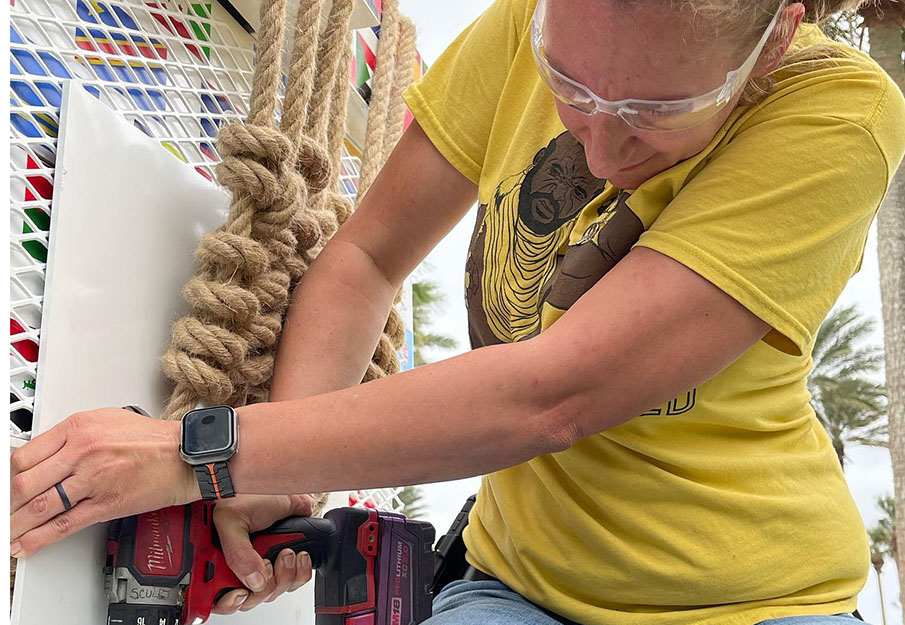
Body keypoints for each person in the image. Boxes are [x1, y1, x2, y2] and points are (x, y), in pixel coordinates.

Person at [9, 0, 904, 623]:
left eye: (655, 110)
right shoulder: (522, 25)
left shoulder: (839, 115)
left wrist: (197, 453)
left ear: (776, 36)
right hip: (516, 586)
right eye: (571, 85)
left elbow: (555, 396)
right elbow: (365, 259)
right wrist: (269, 473)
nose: (595, 141)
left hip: (757, 602)